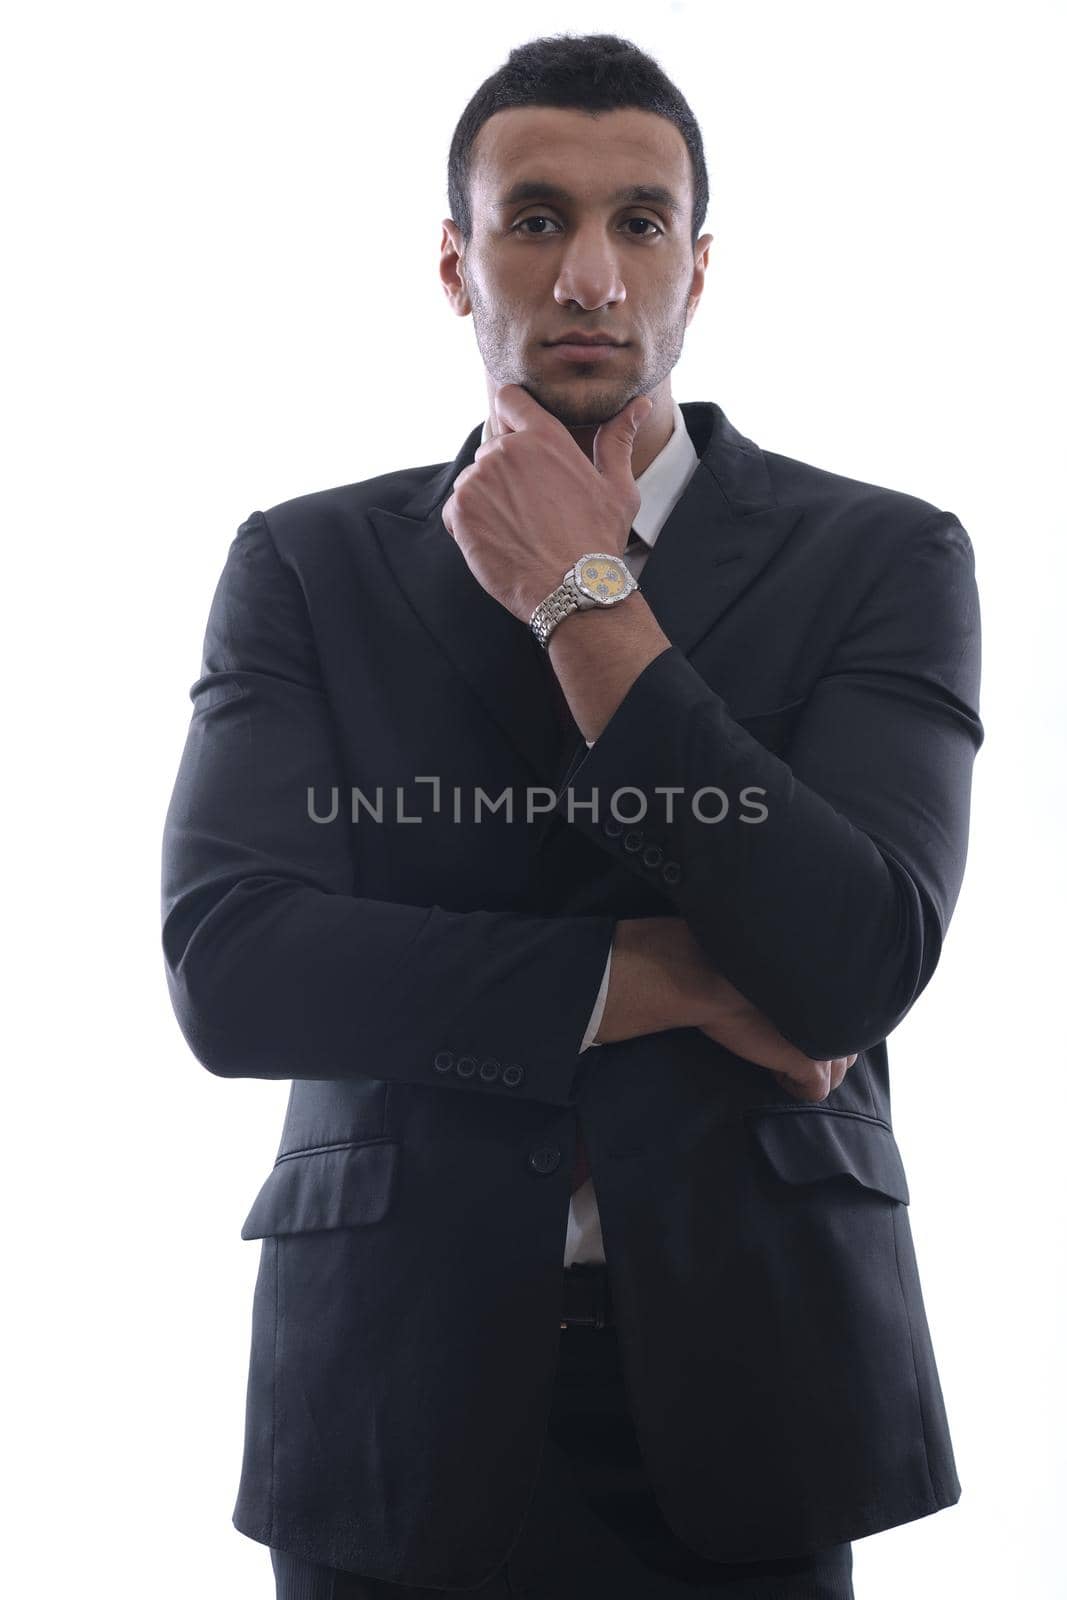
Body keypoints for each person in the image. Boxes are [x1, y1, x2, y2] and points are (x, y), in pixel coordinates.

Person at [160, 31, 984, 1600]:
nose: (592, 275)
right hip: (391, 1390)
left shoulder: (884, 558)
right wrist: (663, 978)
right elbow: (234, 966)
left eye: (641, 223)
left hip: (761, 1389)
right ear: (458, 266)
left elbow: (858, 955)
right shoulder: (304, 565)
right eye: (536, 221)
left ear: (700, 268)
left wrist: (583, 597)